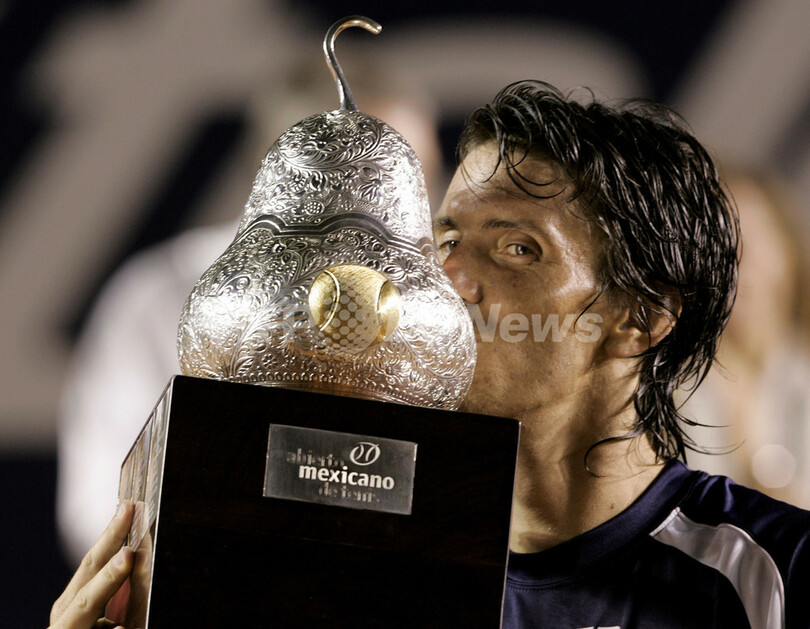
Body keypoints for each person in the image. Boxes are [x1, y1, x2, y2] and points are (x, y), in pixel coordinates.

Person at [50, 81, 810, 628]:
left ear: (640, 317)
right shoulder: (335, 578)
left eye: (517, 248)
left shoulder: (772, 575)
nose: (446, 283)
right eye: (443, 242)